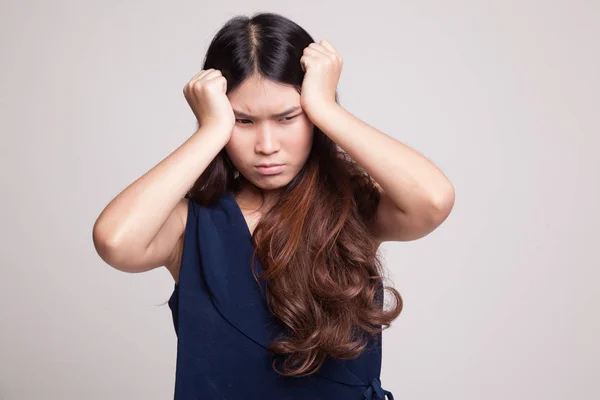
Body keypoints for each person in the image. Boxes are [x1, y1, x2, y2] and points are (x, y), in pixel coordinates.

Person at [92, 12, 454, 400]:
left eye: (288, 117)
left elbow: (432, 200)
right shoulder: (192, 226)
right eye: (243, 121)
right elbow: (116, 242)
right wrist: (210, 131)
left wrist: (327, 108)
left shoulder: (351, 208)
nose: (266, 145)